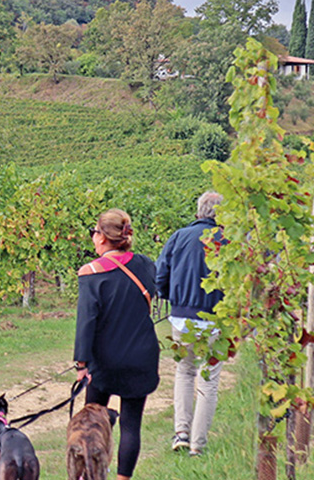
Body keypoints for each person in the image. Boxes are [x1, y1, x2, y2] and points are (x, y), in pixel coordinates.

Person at [74, 208, 160, 480]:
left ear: (101, 237)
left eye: (94, 232)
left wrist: (81, 363)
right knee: (132, 426)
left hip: (105, 361)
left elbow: (86, 322)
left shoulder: (91, 273)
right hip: (142, 355)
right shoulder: (146, 265)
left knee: (93, 424)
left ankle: (90, 473)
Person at [156, 191, 225, 456]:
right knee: (209, 381)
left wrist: (169, 296)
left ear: (198, 212)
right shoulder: (227, 240)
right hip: (215, 320)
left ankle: (181, 433)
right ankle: (198, 444)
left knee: (184, 373)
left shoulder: (179, 237)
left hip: (181, 319)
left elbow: (161, 274)